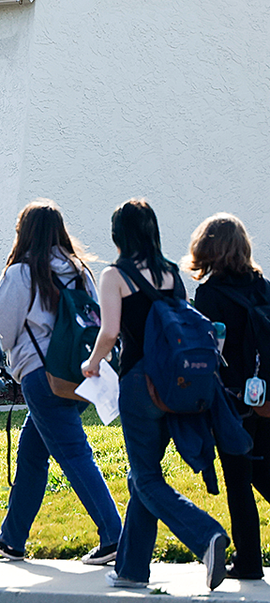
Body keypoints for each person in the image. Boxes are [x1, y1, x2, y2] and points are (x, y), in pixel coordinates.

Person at [82, 199, 232, 590]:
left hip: (138, 383)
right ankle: (132, 569)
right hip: (174, 386)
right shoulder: (170, 273)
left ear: (119, 235)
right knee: (141, 475)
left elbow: (110, 331)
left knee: (146, 478)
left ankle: (207, 536)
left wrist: (93, 363)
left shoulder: (114, 275)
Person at [0, 200, 122, 565]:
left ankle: (114, 535)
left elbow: (1, 330)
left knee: (75, 454)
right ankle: (12, 538)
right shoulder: (79, 271)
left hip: (41, 377)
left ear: (24, 233)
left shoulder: (21, 273)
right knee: (31, 456)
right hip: (78, 374)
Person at [187, 212, 269, 580]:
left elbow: (207, 354)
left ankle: (249, 561)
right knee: (264, 471)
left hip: (233, 402)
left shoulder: (209, 295)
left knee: (239, 480)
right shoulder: (264, 287)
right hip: (267, 397)